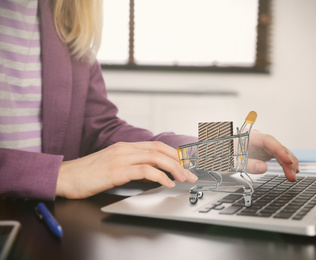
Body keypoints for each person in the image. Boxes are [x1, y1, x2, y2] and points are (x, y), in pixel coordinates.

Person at [0, 0, 299, 201]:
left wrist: (209, 148)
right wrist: (57, 174)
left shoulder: (66, 16)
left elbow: (99, 131)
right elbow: (72, 169)